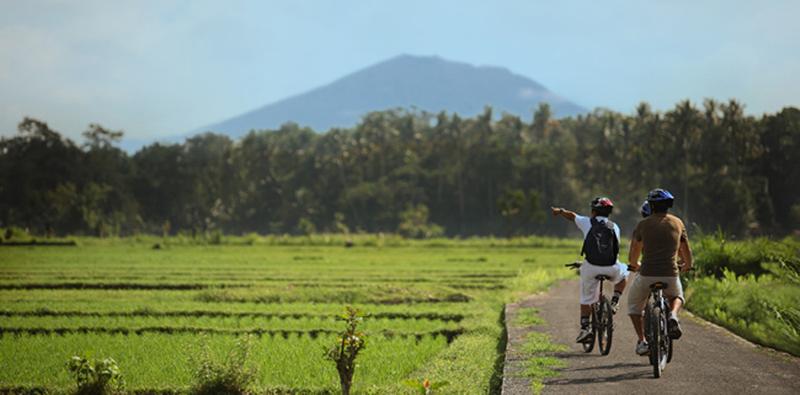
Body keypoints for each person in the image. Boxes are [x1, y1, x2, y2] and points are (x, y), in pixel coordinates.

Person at [552, 197, 629, 343]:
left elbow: (572, 216)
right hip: (612, 267)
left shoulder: (587, 222)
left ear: (593, 211)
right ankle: (615, 301)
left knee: (586, 297)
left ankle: (585, 329)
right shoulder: (615, 227)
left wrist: (560, 211)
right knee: (625, 271)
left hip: (591, 267)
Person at [627, 188, 694, 356]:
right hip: (670, 274)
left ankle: (642, 341)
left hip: (647, 274)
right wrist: (687, 265)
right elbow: (686, 250)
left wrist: (635, 264)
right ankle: (672, 314)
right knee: (677, 296)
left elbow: (634, 253)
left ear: (651, 206)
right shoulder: (678, 223)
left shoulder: (642, 224)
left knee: (634, 307)